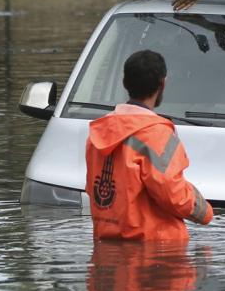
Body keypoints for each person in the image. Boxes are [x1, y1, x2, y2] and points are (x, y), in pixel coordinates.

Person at [86, 50, 213, 240]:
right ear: (163, 83)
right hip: (156, 247)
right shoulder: (158, 135)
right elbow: (173, 194)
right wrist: (205, 212)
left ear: (124, 83)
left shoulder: (99, 132)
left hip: (107, 243)